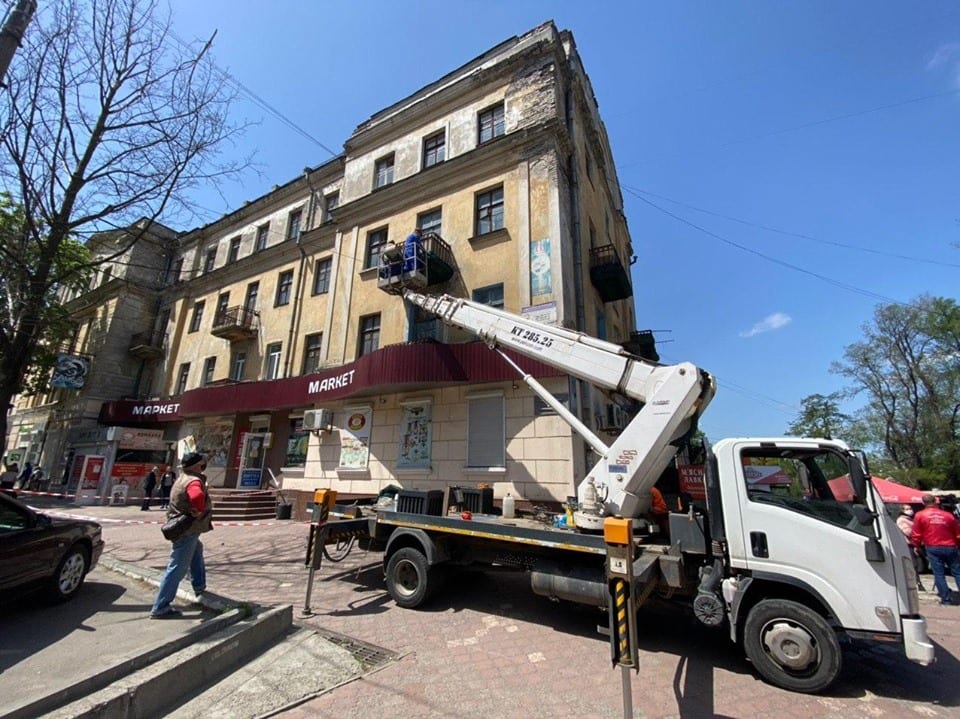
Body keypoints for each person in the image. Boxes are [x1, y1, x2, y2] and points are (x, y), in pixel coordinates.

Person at [150, 452, 214, 619]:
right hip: (186, 529)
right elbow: (197, 495)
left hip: (182, 527)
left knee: (197, 550)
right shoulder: (193, 481)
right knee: (177, 567)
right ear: (196, 466)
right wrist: (198, 509)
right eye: (202, 463)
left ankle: (199, 585)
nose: (204, 465)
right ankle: (161, 607)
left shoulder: (182, 477)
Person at [911, 494, 960, 605]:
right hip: (950, 546)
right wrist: (957, 545)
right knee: (957, 572)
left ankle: (946, 599)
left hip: (933, 546)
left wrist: (916, 546)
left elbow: (916, 534)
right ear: (935, 501)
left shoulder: (920, 515)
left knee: (939, 574)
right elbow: (957, 533)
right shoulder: (948, 515)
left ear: (923, 503)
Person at [897, 504, 925, 591]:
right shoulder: (902, 520)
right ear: (902, 510)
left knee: (917, 564)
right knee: (913, 564)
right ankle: (916, 582)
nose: (910, 510)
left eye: (910, 508)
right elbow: (908, 532)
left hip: (914, 543)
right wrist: (919, 533)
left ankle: (918, 582)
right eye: (907, 509)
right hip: (909, 544)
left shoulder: (910, 519)